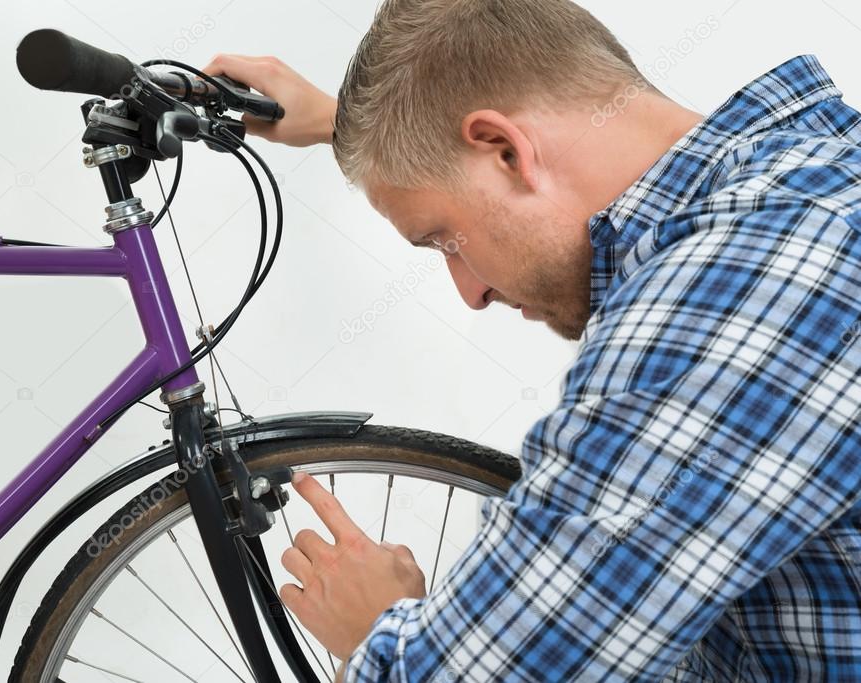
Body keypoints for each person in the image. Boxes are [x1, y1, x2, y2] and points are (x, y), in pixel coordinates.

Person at [204, 0, 861, 680]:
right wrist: (355, 123)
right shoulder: (811, 178)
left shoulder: (738, 291)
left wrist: (374, 634)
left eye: (442, 240)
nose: (469, 291)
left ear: (506, 150)